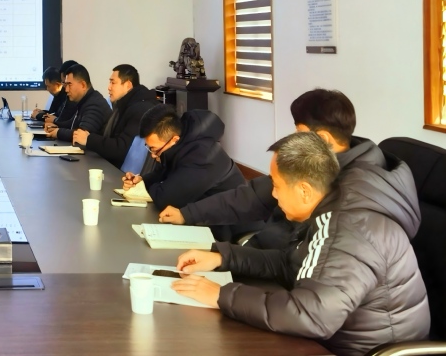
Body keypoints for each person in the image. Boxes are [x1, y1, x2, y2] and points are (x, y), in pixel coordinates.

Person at [171, 132, 429, 356]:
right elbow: (291, 263)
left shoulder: (349, 230)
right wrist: (223, 257)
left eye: (276, 185)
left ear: (304, 190)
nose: (273, 194)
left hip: (361, 350)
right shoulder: (333, 207)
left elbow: (311, 316)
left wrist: (220, 295)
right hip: (335, 338)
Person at [158, 89, 391, 249]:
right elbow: (252, 196)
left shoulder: (355, 188)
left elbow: (298, 252)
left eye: (300, 133)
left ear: (323, 138)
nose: (295, 139)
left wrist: (240, 257)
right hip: (273, 260)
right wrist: (188, 214)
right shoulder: (317, 162)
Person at [121, 104, 250, 240]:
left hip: (231, 233)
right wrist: (141, 180)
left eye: (154, 149)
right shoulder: (181, 145)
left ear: (174, 140)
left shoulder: (202, 156)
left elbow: (165, 199)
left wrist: (154, 187)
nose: (152, 155)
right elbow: (161, 174)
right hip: (204, 222)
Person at [72, 64, 157, 168]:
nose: (109, 87)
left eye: (113, 82)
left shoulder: (140, 109)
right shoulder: (125, 105)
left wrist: (89, 139)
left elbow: (121, 149)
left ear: (128, 85)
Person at [44, 63, 110, 143]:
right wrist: (56, 126)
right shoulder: (85, 100)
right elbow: (72, 124)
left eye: (69, 85)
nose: (66, 90)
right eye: (66, 85)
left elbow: (81, 135)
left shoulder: (94, 104)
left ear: (83, 85)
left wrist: (58, 132)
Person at [44, 59, 79, 126]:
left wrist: (54, 121)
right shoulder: (70, 97)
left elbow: (71, 124)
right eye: (64, 83)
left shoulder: (90, 103)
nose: (66, 89)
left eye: (68, 84)